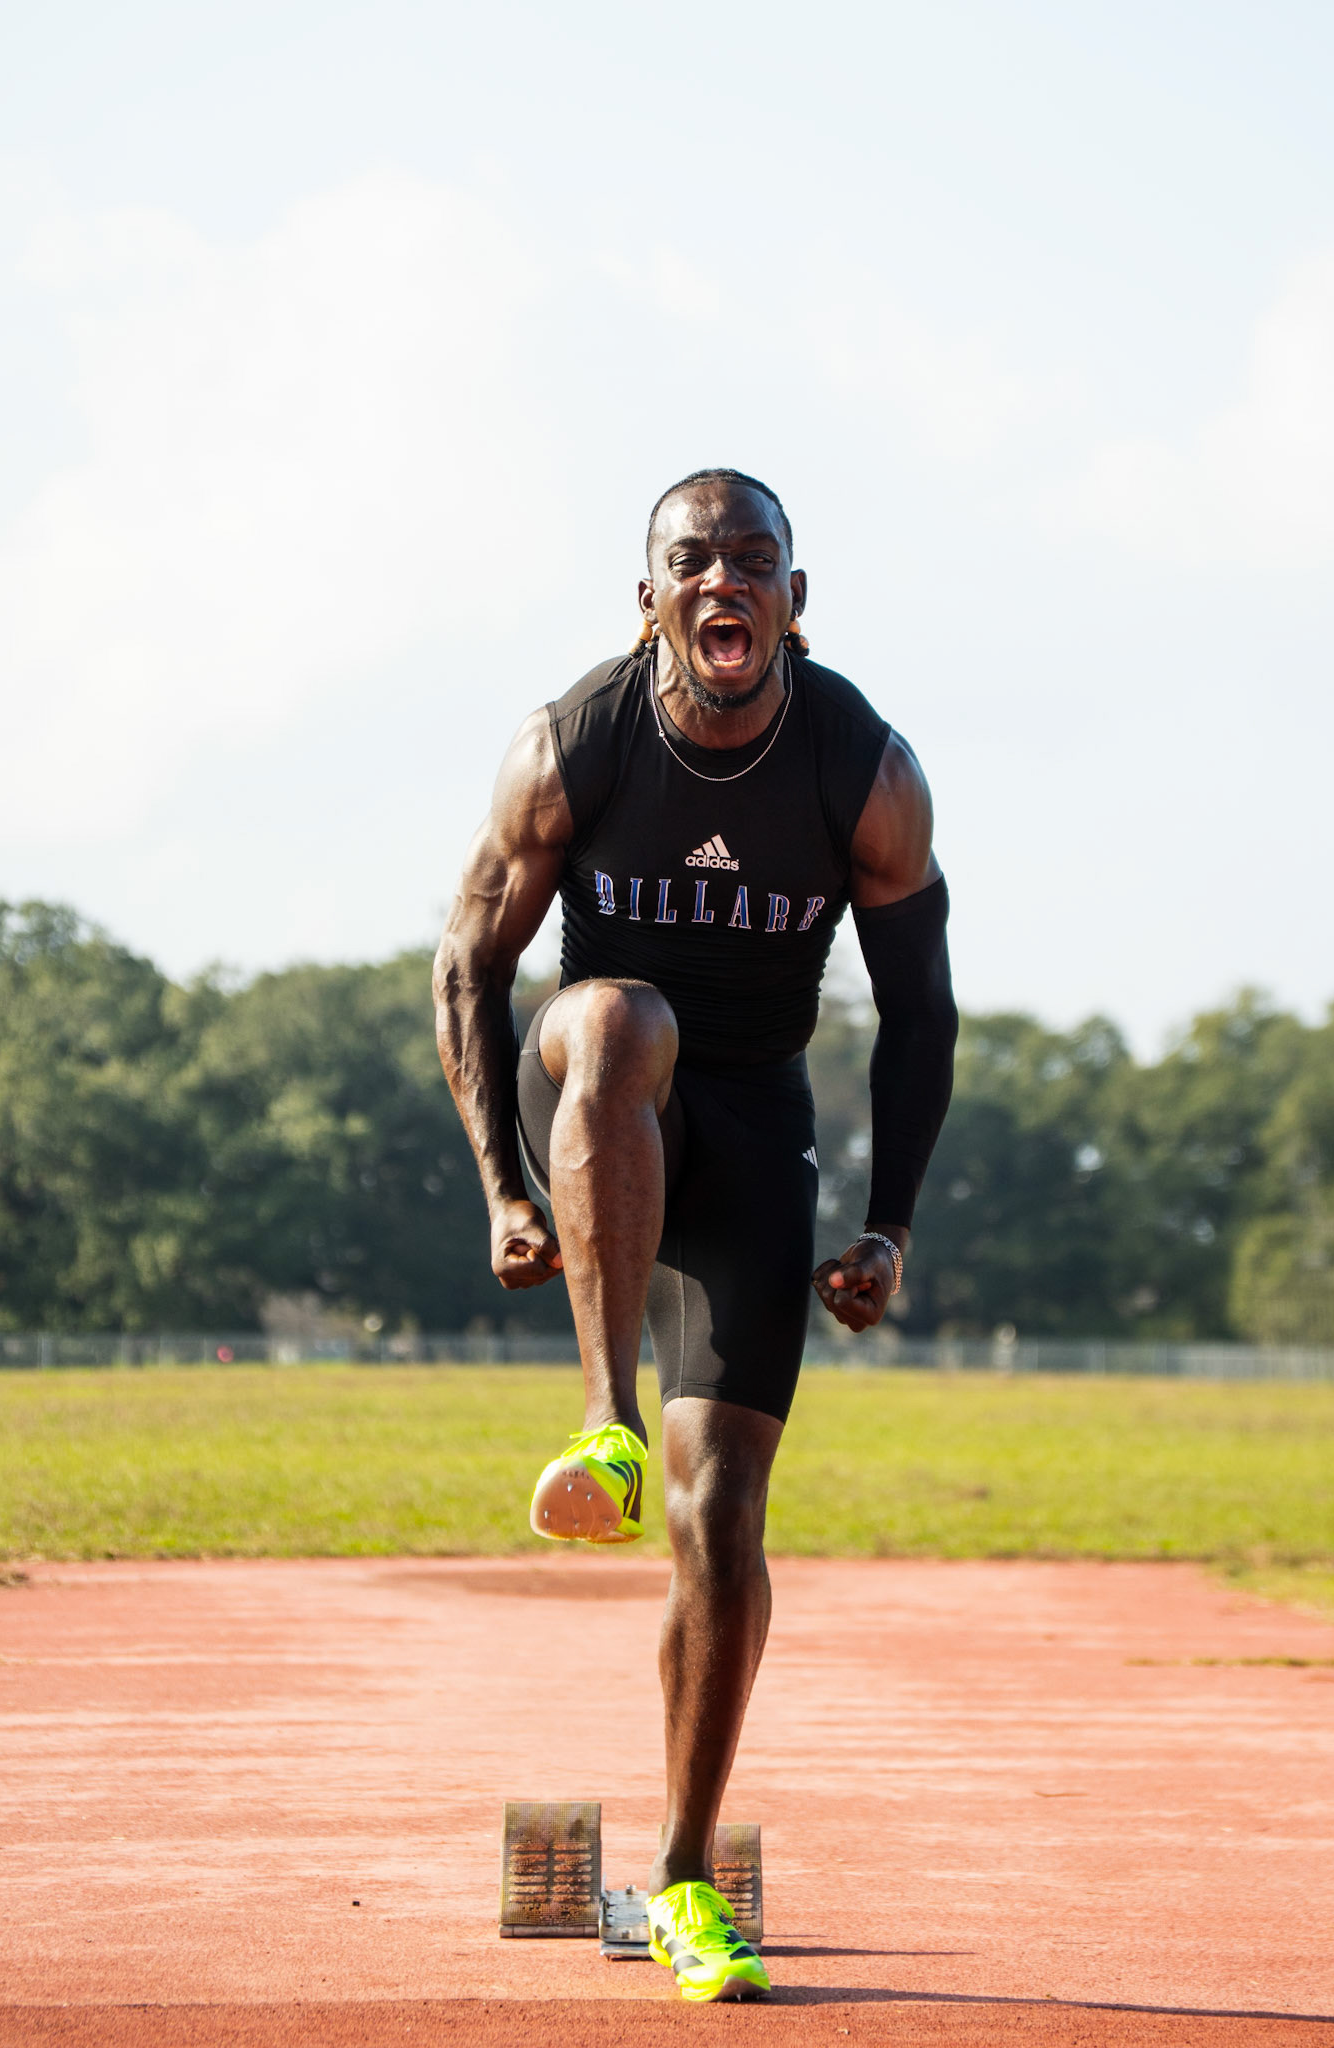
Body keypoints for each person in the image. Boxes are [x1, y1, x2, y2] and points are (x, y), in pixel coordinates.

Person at [433, 469, 957, 2002]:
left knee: (721, 1515)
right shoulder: (574, 742)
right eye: (691, 561)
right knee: (622, 1015)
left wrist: (890, 1224)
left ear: (795, 597)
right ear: (649, 596)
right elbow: (470, 962)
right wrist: (499, 1191)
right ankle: (596, 1416)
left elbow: (918, 1011)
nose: (721, 580)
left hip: (749, 1130)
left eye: (752, 560)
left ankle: (680, 1882)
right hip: (591, 1092)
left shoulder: (863, 768)